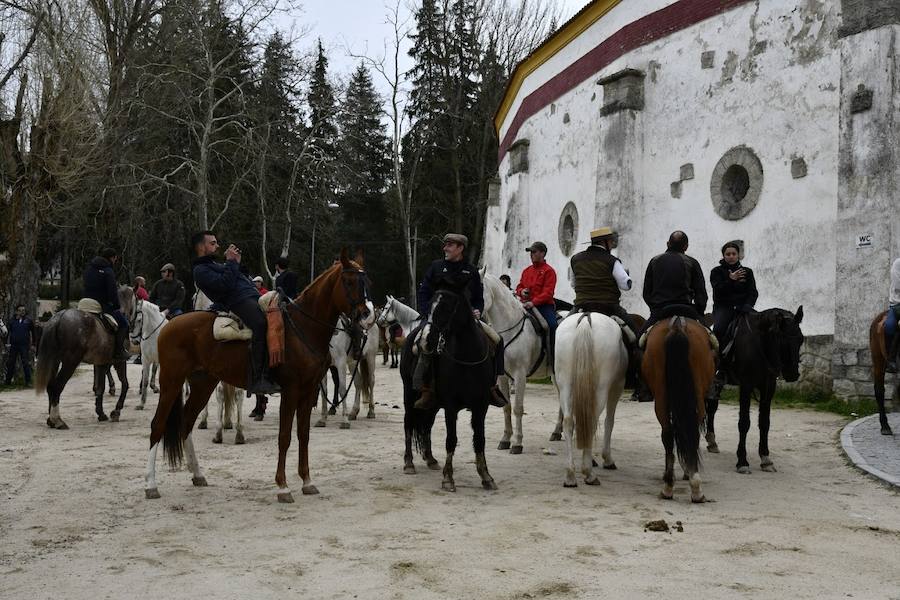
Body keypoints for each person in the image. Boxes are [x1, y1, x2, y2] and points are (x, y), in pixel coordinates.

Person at [413, 233, 507, 410]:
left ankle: (491, 388)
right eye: (445, 244)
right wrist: (427, 312)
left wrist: (477, 309)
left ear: (460, 248)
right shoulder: (436, 267)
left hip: (465, 320)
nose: (445, 248)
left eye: (450, 245)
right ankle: (426, 389)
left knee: (497, 340)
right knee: (421, 343)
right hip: (437, 319)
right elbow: (424, 292)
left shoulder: (471, 271)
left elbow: (478, 298)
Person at [191, 231, 280, 395]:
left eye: (216, 242)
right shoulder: (200, 270)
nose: (217, 246)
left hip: (252, 297)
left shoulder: (216, 265)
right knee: (260, 324)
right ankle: (259, 377)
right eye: (213, 243)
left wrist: (235, 263)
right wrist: (231, 262)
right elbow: (224, 285)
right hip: (238, 301)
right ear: (201, 246)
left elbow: (237, 278)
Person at [570, 226, 640, 380]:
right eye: (611, 241)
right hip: (608, 306)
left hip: (581, 305)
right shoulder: (612, 261)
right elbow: (625, 285)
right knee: (636, 336)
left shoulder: (575, 259)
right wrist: (626, 276)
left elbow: (573, 284)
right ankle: (638, 378)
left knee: (559, 330)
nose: (612, 243)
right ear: (605, 242)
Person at [642, 230, 708, 329]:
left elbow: (646, 293)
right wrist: (699, 313)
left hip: (660, 310)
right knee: (713, 341)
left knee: (639, 341)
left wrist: (654, 309)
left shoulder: (654, 261)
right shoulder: (692, 262)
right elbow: (701, 294)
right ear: (686, 246)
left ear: (668, 244)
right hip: (686, 309)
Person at [709, 241, 758, 357]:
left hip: (744, 308)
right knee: (718, 330)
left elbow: (753, 292)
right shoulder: (716, 272)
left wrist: (748, 305)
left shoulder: (747, 272)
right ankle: (719, 362)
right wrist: (731, 280)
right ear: (723, 256)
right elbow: (718, 291)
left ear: (738, 255)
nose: (731, 256)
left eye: (733, 254)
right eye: (728, 254)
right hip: (724, 308)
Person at [516, 241, 558, 366]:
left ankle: (552, 357)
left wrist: (533, 302)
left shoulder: (549, 271)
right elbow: (519, 287)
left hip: (544, 306)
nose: (531, 254)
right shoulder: (526, 271)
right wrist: (521, 291)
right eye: (531, 252)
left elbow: (548, 293)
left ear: (542, 253)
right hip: (525, 305)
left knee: (551, 325)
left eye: (534, 252)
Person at [83, 248, 130, 360]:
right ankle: (119, 351)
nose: (115, 262)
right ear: (112, 258)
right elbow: (112, 293)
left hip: (84, 302)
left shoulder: (89, 268)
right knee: (124, 323)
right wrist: (117, 306)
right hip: (101, 304)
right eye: (115, 259)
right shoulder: (108, 271)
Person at [4, 304, 35, 386]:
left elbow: (34, 333)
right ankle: (7, 381)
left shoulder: (28, 321)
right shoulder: (11, 321)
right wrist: (6, 343)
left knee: (25, 363)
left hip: (24, 345)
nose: (22, 312)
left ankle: (28, 382)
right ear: (16, 311)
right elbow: (7, 333)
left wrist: (33, 344)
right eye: (20, 310)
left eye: (24, 310)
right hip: (13, 345)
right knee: (11, 363)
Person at [885, 258, 900, 373]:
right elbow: (897, 284)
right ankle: (891, 360)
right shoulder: (897, 263)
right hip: (897, 304)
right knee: (890, 327)